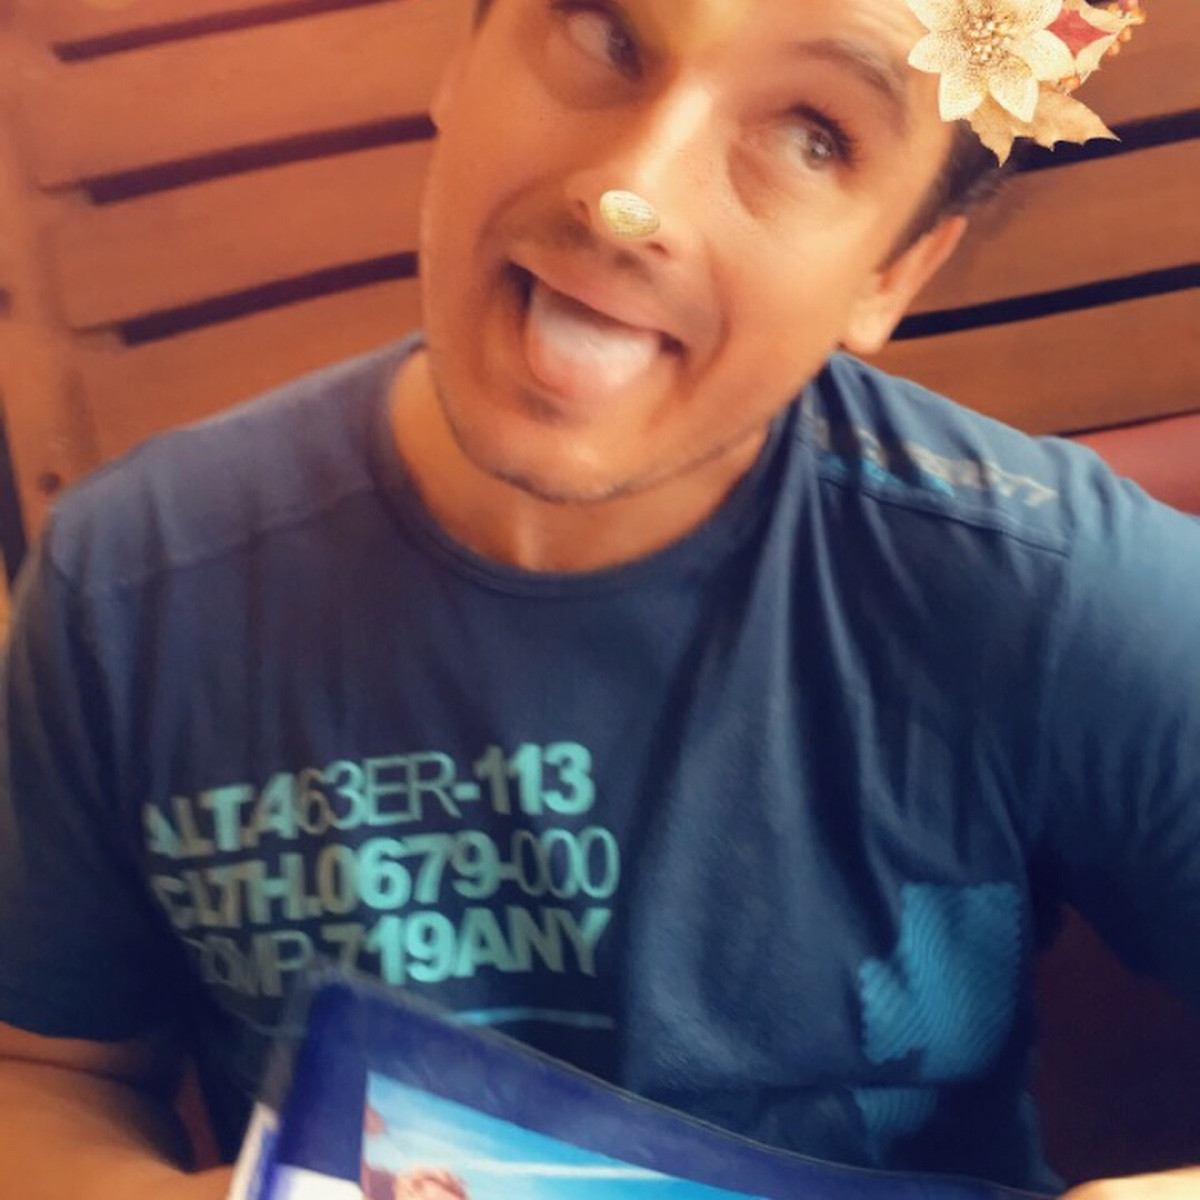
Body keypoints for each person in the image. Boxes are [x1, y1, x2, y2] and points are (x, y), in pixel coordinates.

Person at [0, 0, 1195, 1198]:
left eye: (812, 135)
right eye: (606, 32)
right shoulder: (134, 586)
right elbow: (44, 1072)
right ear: (463, 63)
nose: (633, 195)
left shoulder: (1049, 594)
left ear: (891, 270)